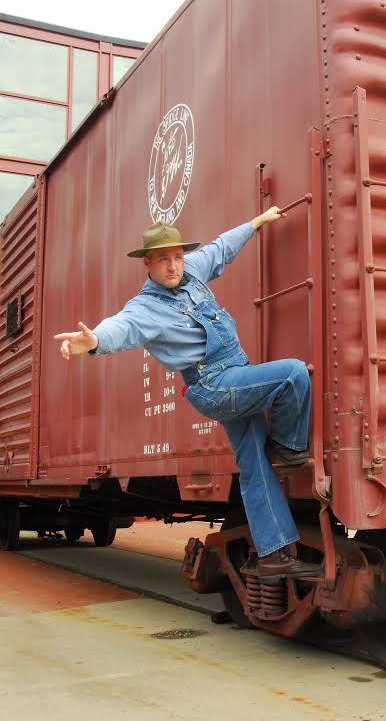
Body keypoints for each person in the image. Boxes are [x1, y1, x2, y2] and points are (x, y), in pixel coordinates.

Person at [54, 209, 321, 581]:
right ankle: (289, 448)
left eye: (177, 256)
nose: (173, 265)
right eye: (163, 259)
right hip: (211, 385)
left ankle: (274, 555)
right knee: (293, 374)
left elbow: (220, 248)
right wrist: (94, 340)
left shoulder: (191, 269)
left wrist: (256, 223)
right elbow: (123, 327)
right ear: (147, 263)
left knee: (255, 467)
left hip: (236, 373)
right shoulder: (146, 308)